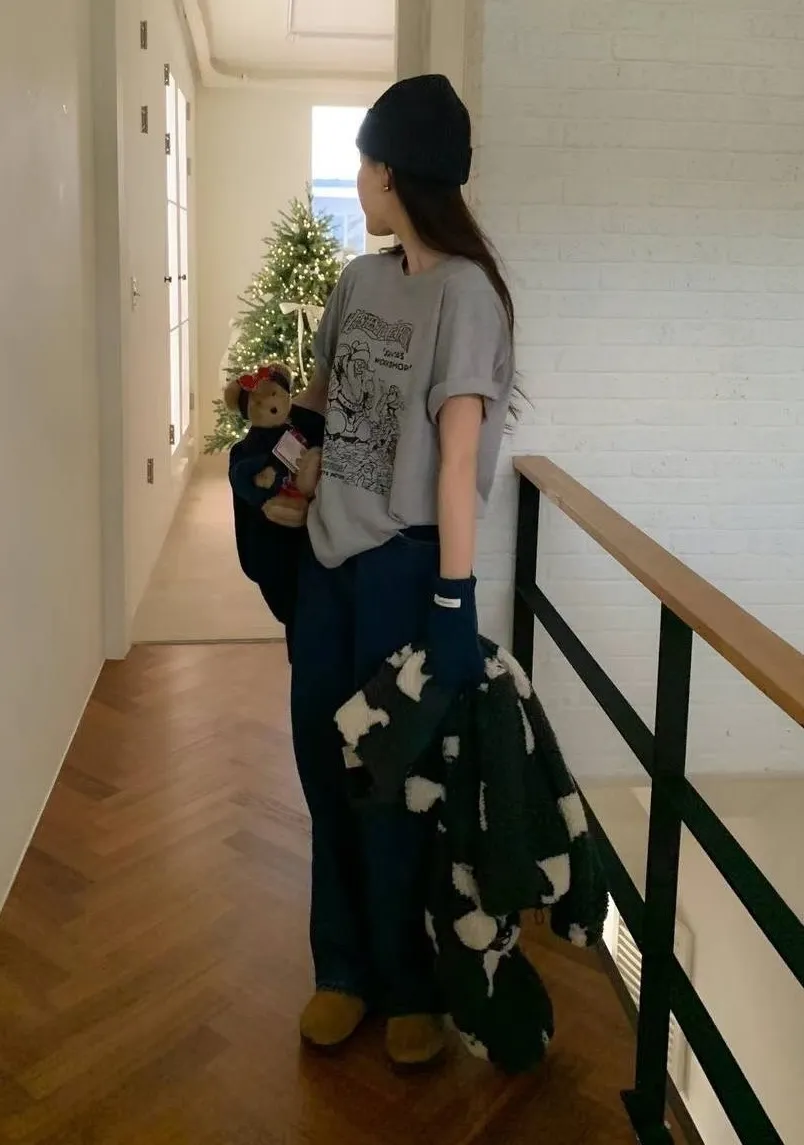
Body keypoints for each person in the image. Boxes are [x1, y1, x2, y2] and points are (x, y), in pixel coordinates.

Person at [291, 74, 516, 1068]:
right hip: (328, 567)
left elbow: (458, 461)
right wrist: (277, 460)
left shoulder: (465, 295)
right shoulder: (359, 280)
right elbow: (320, 399)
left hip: (405, 570)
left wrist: (454, 601)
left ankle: (410, 982)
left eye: (366, 162)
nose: (359, 178)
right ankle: (341, 968)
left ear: (394, 172)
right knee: (323, 770)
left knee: (394, 784)